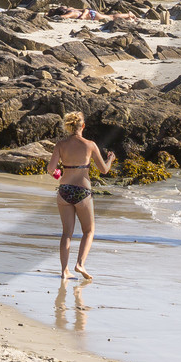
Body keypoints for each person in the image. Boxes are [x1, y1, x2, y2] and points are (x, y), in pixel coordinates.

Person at [45, 111, 116, 281]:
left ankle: (64, 271)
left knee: (66, 233)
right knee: (89, 230)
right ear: (83, 126)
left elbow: (50, 169)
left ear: (69, 127)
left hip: (64, 190)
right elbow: (104, 170)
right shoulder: (90, 145)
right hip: (82, 192)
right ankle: (80, 264)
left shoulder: (60, 145)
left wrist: (59, 175)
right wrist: (111, 159)